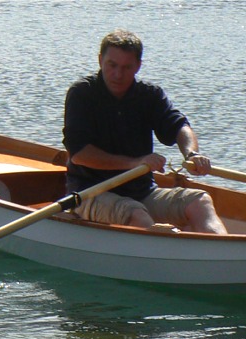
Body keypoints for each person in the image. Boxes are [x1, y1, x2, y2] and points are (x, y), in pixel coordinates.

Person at [63, 30, 228, 235]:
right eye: (112, 65)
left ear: (138, 66)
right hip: (90, 193)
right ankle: (169, 258)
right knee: (137, 214)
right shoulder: (82, 94)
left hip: (142, 192)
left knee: (200, 201)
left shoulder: (149, 95)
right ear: (100, 61)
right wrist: (134, 163)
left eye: (126, 67)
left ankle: (223, 252)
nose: (118, 74)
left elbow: (179, 126)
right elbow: (79, 155)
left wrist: (191, 154)